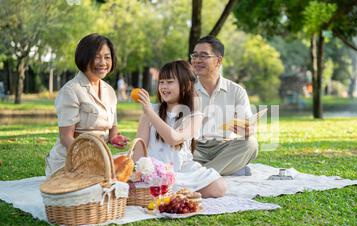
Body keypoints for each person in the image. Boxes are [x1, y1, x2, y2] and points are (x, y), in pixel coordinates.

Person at [134, 60, 226, 198]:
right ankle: (169, 189)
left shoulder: (194, 115)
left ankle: (172, 190)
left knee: (219, 187)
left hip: (181, 168)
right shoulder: (151, 111)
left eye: (169, 82)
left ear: (186, 85)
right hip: (153, 169)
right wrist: (140, 170)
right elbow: (139, 148)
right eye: (161, 82)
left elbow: (174, 139)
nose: (164, 87)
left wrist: (150, 112)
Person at [45, 33, 128, 176]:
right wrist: (89, 162)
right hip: (70, 162)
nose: (103, 62)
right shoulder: (71, 90)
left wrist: (115, 138)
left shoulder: (109, 91)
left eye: (107, 57)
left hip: (99, 160)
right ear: (84, 57)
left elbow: (112, 128)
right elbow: (66, 138)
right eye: (97, 57)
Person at [190, 35, 258, 175]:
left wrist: (247, 130)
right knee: (173, 150)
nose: (197, 60)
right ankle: (223, 170)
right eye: (194, 55)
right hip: (193, 148)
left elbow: (248, 125)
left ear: (218, 61)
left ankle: (201, 174)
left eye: (203, 56)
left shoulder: (236, 91)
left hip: (223, 147)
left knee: (250, 144)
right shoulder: (185, 89)